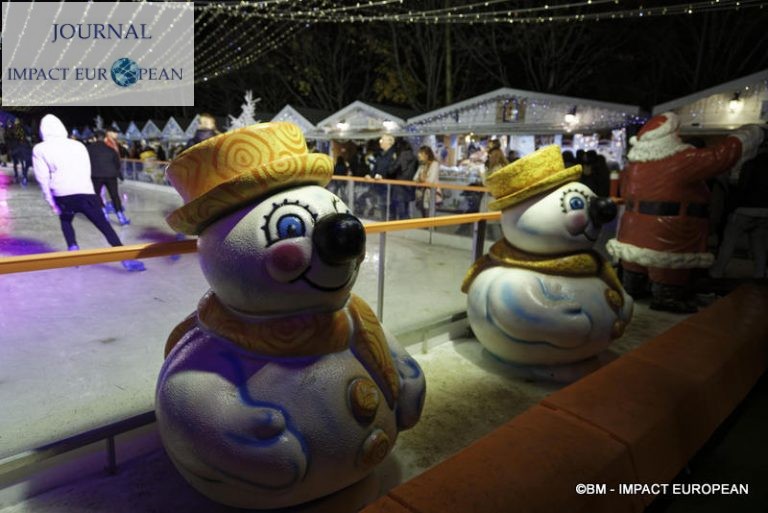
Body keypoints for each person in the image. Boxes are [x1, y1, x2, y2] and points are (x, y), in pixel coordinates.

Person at [606, 112, 762, 313]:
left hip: (633, 226)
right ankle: (666, 296)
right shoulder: (682, 160)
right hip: (668, 228)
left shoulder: (634, 166)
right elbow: (720, 157)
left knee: (635, 261)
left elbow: (625, 192)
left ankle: (633, 286)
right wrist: (748, 135)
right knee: (668, 265)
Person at [32, 114, 145, 272]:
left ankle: (73, 250)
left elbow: (42, 178)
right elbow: (86, 170)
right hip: (85, 192)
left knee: (65, 220)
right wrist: (91, 193)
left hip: (62, 193)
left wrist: (51, 201)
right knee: (105, 226)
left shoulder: (40, 149)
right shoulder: (78, 145)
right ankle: (125, 259)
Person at [710, 134, 768, 278]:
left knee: (729, 241)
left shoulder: (751, 163)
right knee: (759, 244)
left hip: (745, 209)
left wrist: (732, 206)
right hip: (766, 210)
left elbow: (743, 186)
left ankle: (717, 271)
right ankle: (760, 274)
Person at [88, 128, 130, 225]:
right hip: (111, 176)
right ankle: (121, 217)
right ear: (104, 138)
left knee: (97, 195)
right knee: (115, 196)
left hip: (96, 176)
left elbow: (85, 163)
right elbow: (117, 164)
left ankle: (104, 215)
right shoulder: (110, 150)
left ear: (94, 138)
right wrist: (120, 176)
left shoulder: (89, 149)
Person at [386, 138, 418, 219]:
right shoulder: (414, 157)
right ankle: (406, 225)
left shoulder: (401, 156)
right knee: (406, 207)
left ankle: (400, 226)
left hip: (399, 186)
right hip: (409, 186)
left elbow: (391, 170)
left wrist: (393, 160)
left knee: (399, 208)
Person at [414, 146, 442, 218]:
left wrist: (421, 179)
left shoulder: (434, 164)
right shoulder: (422, 165)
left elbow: (430, 180)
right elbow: (415, 178)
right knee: (424, 215)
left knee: (430, 216)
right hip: (421, 194)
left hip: (431, 194)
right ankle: (425, 228)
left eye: (421, 154)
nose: (419, 155)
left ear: (427, 155)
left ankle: (430, 229)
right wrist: (421, 179)